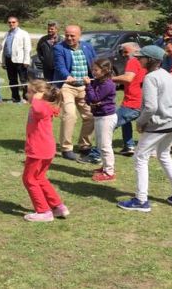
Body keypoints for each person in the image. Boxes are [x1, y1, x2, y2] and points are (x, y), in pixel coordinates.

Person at [117, 45, 172, 212]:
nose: (138, 60)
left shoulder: (151, 78)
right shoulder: (168, 75)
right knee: (164, 156)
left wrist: (140, 122)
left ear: (150, 60)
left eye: (141, 57)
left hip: (159, 124)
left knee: (140, 158)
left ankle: (141, 200)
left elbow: (150, 107)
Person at [21, 79, 68, 222]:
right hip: (45, 148)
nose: (27, 95)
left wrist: (36, 98)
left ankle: (43, 211)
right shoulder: (45, 105)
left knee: (29, 179)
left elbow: (38, 110)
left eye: (29, 92)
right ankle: (58, 206)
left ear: (38, 94)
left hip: (38, 150)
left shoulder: (41, 106)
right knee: (39, 177)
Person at [53, 25, 96, 162]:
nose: (69, 38)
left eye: (72, 35)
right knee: (70, 115)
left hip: (85, 87)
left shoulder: (87, 47)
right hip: (67, 86)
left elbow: (94, 64)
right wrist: (67, 76)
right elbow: (59, 65)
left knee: (91, 116)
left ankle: (85, 145)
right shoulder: (59, 48)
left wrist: (97, 77)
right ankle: (66, 148)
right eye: (67, 35)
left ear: (79, 35)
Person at [83, 59, 117, 182]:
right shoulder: (97, 82)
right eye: (92, 69)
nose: (93, 72)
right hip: (98, 116)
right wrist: (91, 97)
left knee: (105, 145)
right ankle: (105, 166)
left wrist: (88, 86)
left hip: (106, 117)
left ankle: (109, 172)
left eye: (96, 70)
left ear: (105, 70)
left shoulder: (108, 84)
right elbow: (89, 99)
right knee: (100, 144)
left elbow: (94, 98)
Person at [111, 42, 146, 157]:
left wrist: (110, 79)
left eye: (126, 52)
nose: (124, 55)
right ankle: (129, 146)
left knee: (109, 125)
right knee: (126, 122)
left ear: (136, 51)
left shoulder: (133, 61)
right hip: (142, 102)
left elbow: (128, 78)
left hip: (132, 103)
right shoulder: (144, 62)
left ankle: (97, 153)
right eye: (122, 52)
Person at [2, 15, 32, 103]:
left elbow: (27, 48)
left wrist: (26, 61)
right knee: (12, 80)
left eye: (13, 22)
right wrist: (3, 61)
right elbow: (4, 48)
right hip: (9, 60)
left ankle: (26, 98)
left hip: (20, 61)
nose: (11, 24)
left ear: (17, 23)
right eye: (9, 22)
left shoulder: (24, 33)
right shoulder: (7, 34)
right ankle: (15, 98)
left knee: (23, 80)